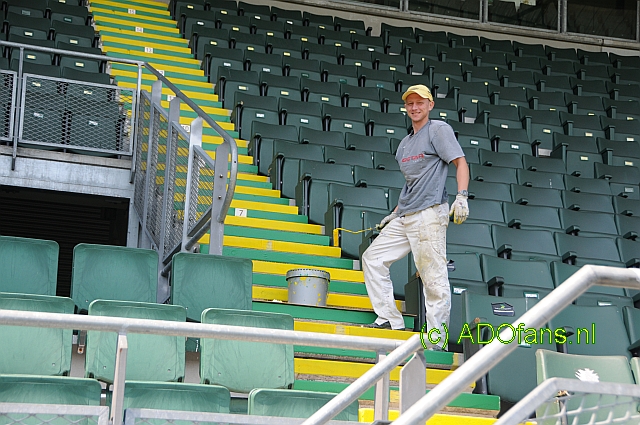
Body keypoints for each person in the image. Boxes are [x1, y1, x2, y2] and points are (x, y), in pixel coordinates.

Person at [361, 84, 469, 350]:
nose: (414, 107)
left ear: (430, 105)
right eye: (410, 103)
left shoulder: (438, 130)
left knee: (433, 278)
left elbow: (461, 162)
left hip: (430, 213)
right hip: (406, 214)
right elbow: (411, 182)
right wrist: (395, 213)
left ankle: (435, 341)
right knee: (372, 258)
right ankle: (389, 319)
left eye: (420, 102)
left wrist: (462, 195)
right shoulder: (404, 145)